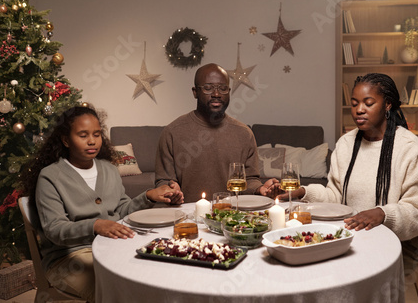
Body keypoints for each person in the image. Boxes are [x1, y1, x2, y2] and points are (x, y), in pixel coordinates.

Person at [268, 73, 418, 273]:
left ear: (388, 104)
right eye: (354, 103)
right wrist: (303, 192)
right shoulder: (347, 143)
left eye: (368, 103)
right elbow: (336, 196)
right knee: (308, 266)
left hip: (400, 242)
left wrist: (383, 213)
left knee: (347, 275)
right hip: (351, 235)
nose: (359, 110)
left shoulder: (408, 148)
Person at [22, 105, 183, 302]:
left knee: (152, 277)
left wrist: (148, 196)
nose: (92, 141)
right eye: (83, 135)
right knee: (119, 292)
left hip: (112, 247)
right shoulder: (50, 177)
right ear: (66, 140)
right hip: (68, 259)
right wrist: (95, 225)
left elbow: (122, 210)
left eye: (97, 134)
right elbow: (55, 230)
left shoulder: (108, 169)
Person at [155, 63, 279, 203]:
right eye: (208, 88)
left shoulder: (244, 133)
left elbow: (250, 180)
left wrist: (261, 189)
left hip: (232, 217)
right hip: (187, 218)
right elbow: (163, 182)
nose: (216, 94)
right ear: (195, 92)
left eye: (223, 88)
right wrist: (171, 190)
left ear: (229, 91)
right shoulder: (172, 132)